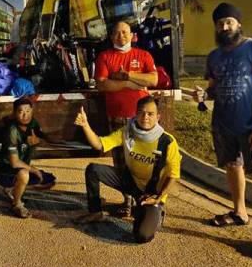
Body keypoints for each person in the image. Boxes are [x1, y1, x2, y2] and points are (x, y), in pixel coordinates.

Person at [193, 2, 252, 259]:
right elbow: (212, 88)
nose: (224, 26)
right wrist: (203, 94)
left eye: (229, 22)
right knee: (232, 167)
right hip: (223, 126)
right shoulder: (214, 56)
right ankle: (240, 212)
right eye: (220, 23)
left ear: (238, 24)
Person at [74, 95, 181, 243]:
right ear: (135, 114)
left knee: (142, 236)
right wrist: (85, 125)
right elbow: (99, 145)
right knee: (93, 169)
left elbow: (173, 176)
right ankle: (95, 212)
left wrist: (158, 197)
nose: (145, 117)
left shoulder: (167, 142)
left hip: (152, 194)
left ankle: (156, 212)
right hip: (131, 182)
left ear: (158, 117)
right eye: (141, 112)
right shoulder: (127, 131)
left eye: (150, 114)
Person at [94, 21, 158, 217]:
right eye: (116, 33)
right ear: (111, 37)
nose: (121, 36)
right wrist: (135, 83)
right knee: (121, 160)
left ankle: (146, 199)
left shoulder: (143, 55)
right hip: (117, 116)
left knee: (144, 159)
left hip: (142, 117)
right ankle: (127, 200)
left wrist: (126, 77)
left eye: (125, 32)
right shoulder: (104, 57)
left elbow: (153, 80)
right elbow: (103, 85)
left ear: (132, 35)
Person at [0, 97, 56, 218]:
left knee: (49, 181)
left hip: (22, 167)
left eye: (28, 111)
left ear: (32, 111)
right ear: (14, 113)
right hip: (4, 171)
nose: (25, 115)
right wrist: (34, 170)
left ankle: (12, 189)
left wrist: (38, 141)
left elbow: (45, 140)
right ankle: (16, 204)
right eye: (21, 111)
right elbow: (14, 163)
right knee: (24, 174)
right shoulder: (12, 131)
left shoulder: (33, 123)